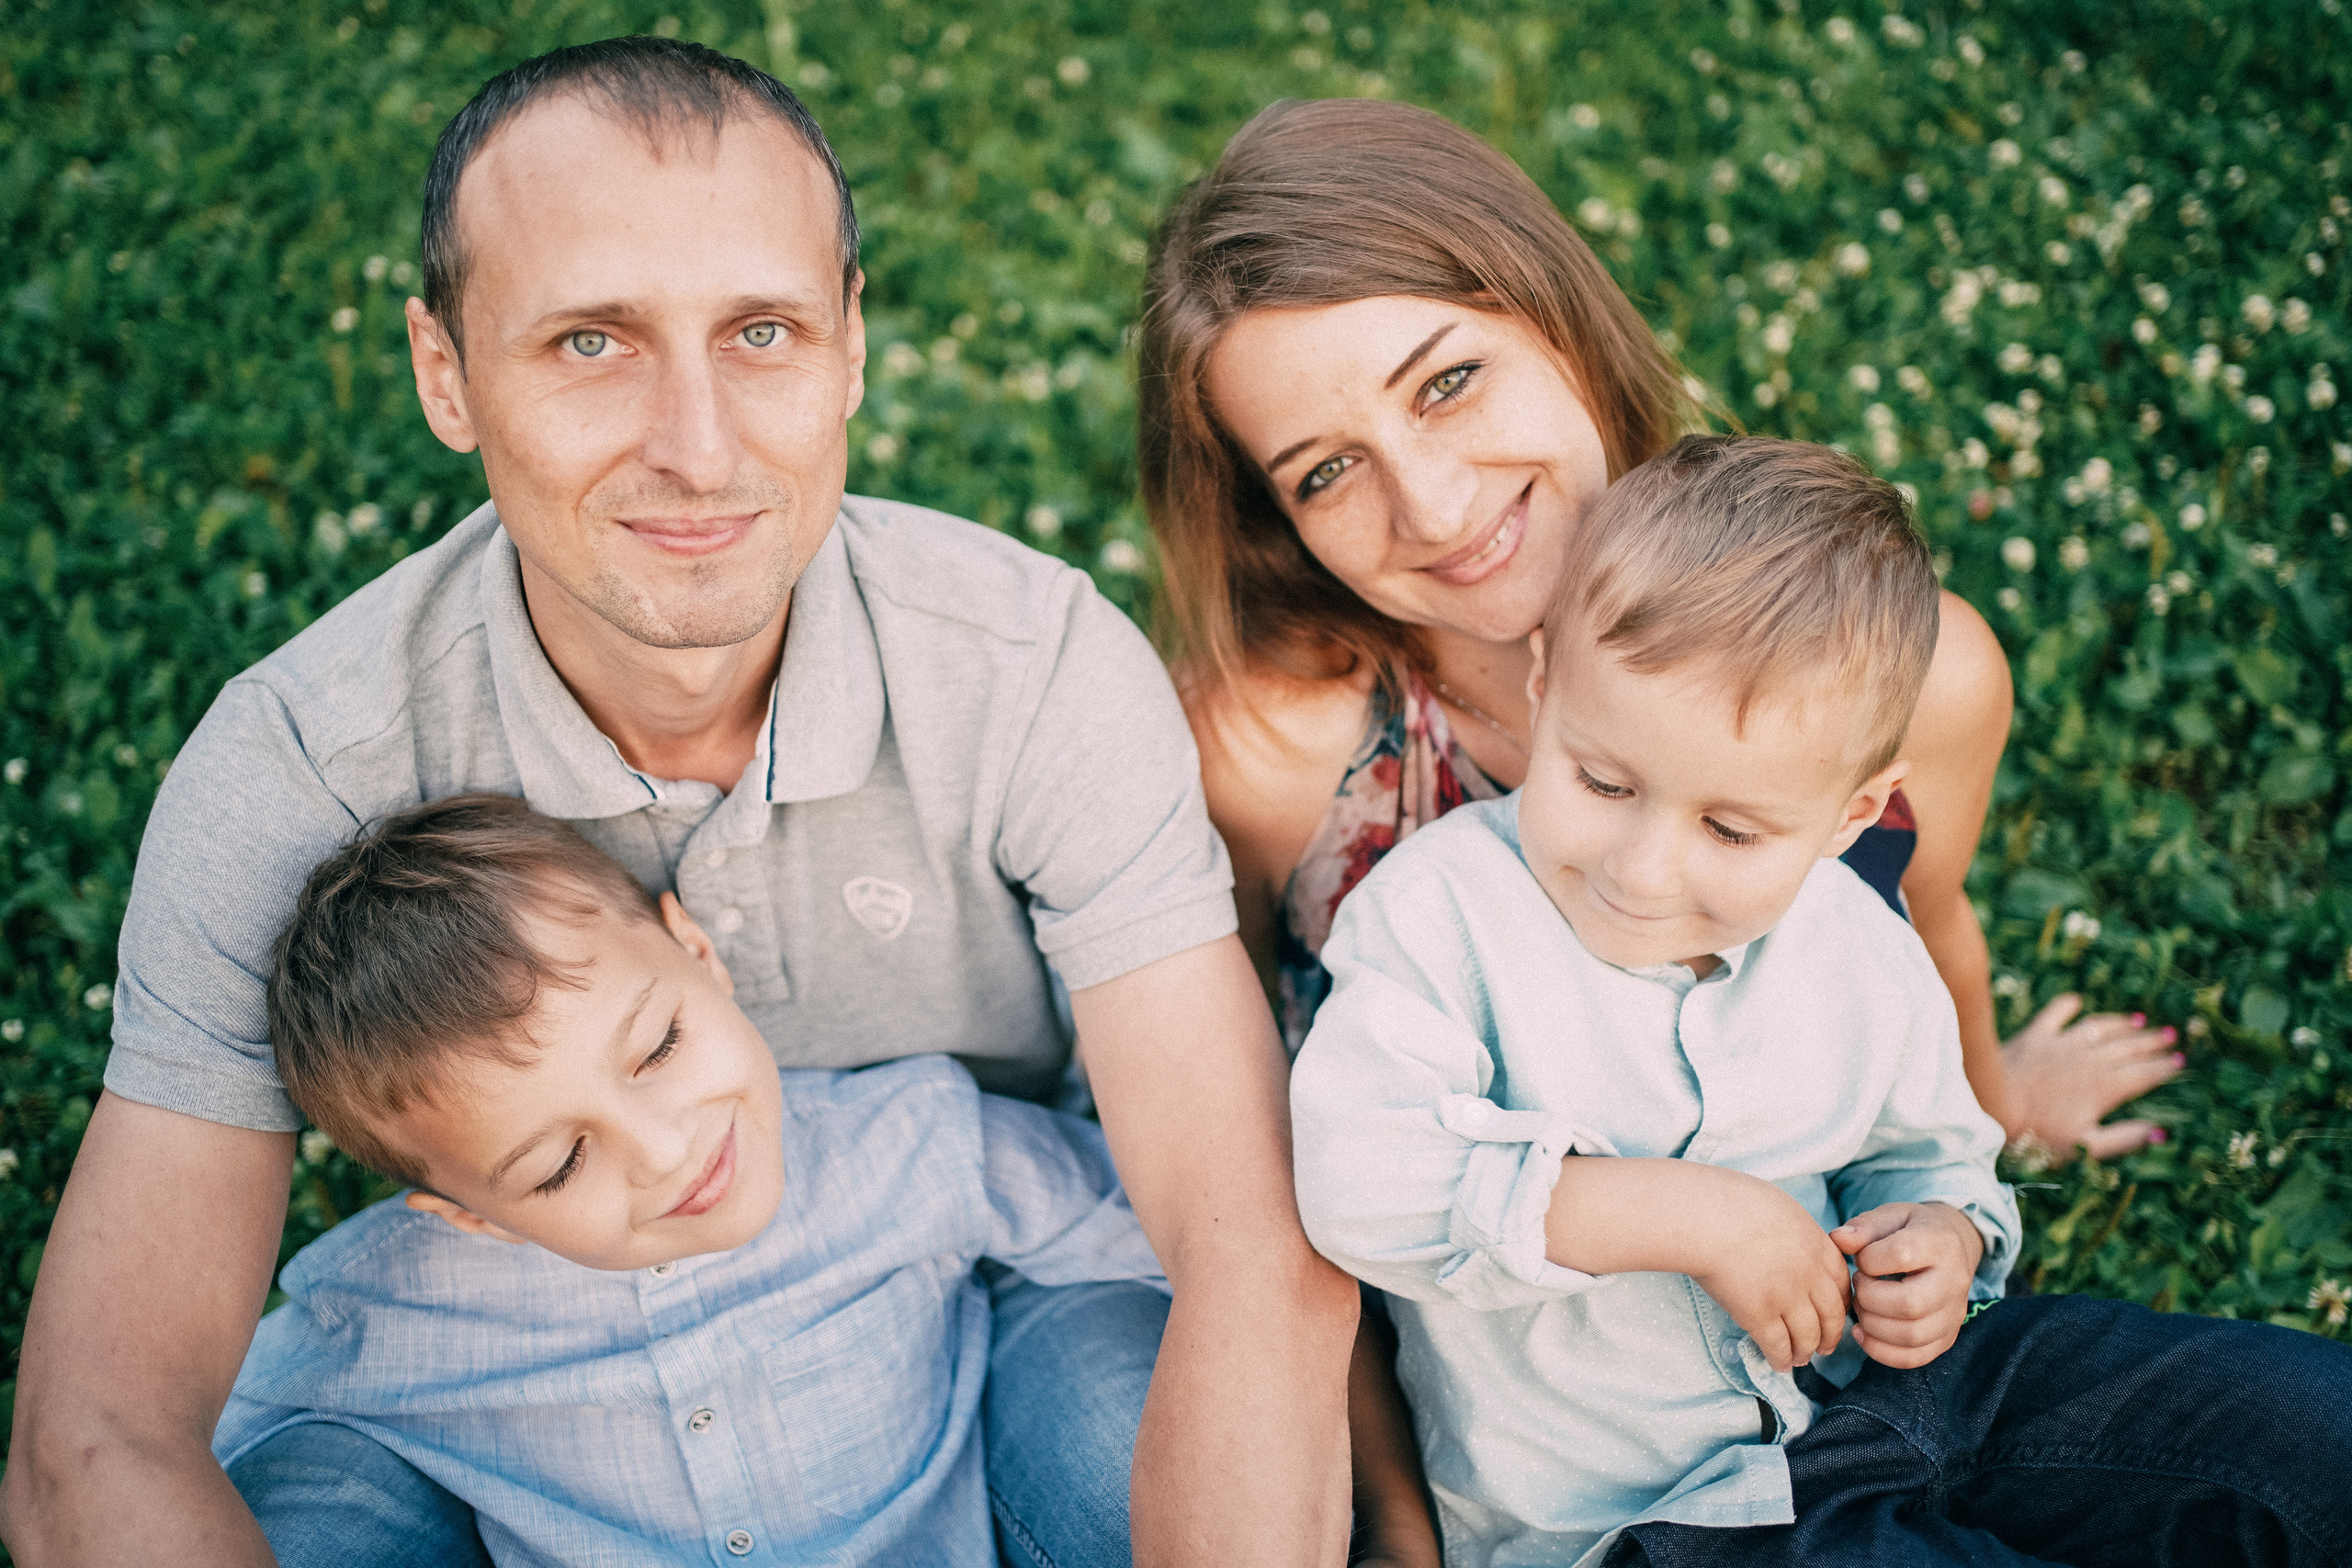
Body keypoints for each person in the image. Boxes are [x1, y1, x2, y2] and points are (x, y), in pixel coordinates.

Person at [0, 40, 1357, 1568]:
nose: (698, 448)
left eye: (761, 331)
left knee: (1132, 1429)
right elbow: (100, 1427)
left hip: (981, 1296)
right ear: (444, 371)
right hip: (535, 1352)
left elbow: (1249, 1246)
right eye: (591, 343)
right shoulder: (297, 772)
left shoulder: (1031, 666)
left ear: (852, 345)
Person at [1290, 434, 2352, 1567]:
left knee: (2309, 1431)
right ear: (1545, 684)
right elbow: (1360, 1178)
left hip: (1923, 1391)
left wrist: (1943, 1235)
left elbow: (1928, 1149)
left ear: (1852, 816)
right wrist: (1687, 1214)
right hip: (1659, 1514)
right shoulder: (1438, 911)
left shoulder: (1853, 936)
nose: (1642, 869)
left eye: (1731, 829)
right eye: (1602, 782)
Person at [1137, 96, 2180, 1165]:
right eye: (1326, 471)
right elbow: (1211, 1077)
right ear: (1277, 523)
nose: (1436, 509)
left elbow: (1927, 917)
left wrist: (1992, 1113)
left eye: (1447, 384)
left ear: (1562, 324)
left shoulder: (1926, 679)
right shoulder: (1270, 752)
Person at [220, 792, 1172, 1565]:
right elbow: (184, 1443)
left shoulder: (914, 1140)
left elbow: (1147, 1232)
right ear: (471, 1216)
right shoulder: (391, 1308)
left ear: (700, 956)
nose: (665, 1150)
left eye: (659, 1046)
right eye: (557, 1166)